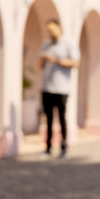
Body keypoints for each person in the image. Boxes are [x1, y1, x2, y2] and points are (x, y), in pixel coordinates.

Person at [38, 19, 78, 157]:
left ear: (59, 28)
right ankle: (48, 147)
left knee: (61, 118)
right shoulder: (46, 45)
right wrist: (44, 59)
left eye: (52, 29)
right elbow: (39, 66)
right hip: (47, 87)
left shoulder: (68, 44)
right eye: (48, 30)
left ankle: (64, 147)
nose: (50, 32)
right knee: (48, 119)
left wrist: (56, 60)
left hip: (62, 88)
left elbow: (75, 62)